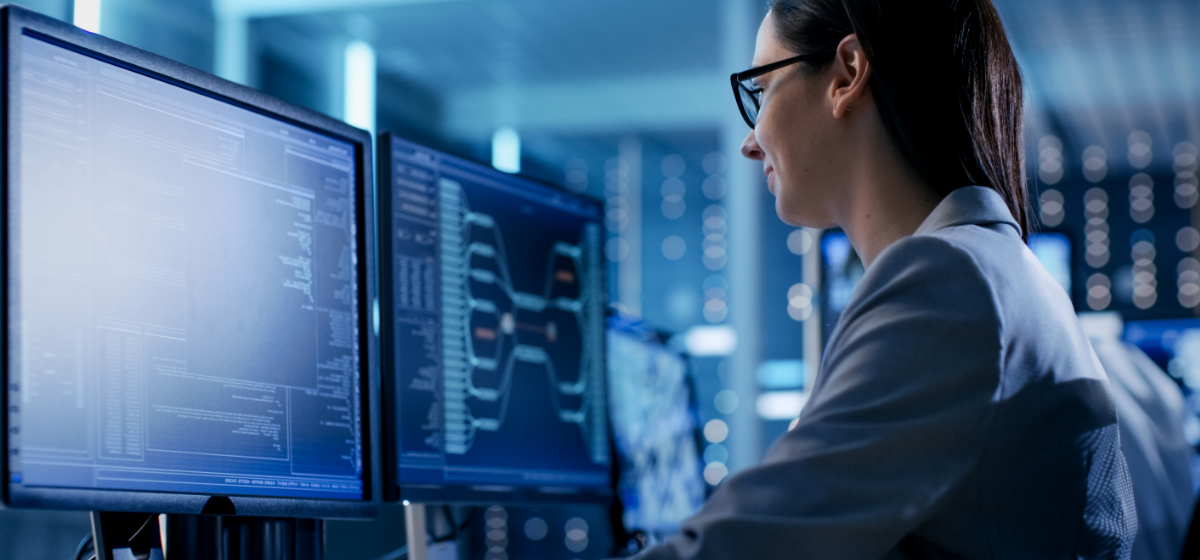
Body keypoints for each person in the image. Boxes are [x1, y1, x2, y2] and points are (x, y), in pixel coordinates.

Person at [634, 0, 1137, 558]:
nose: (750, 143)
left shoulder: (949, 281)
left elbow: (749, 544)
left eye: (760, 91)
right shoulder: (996, 271)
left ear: (846, 75)